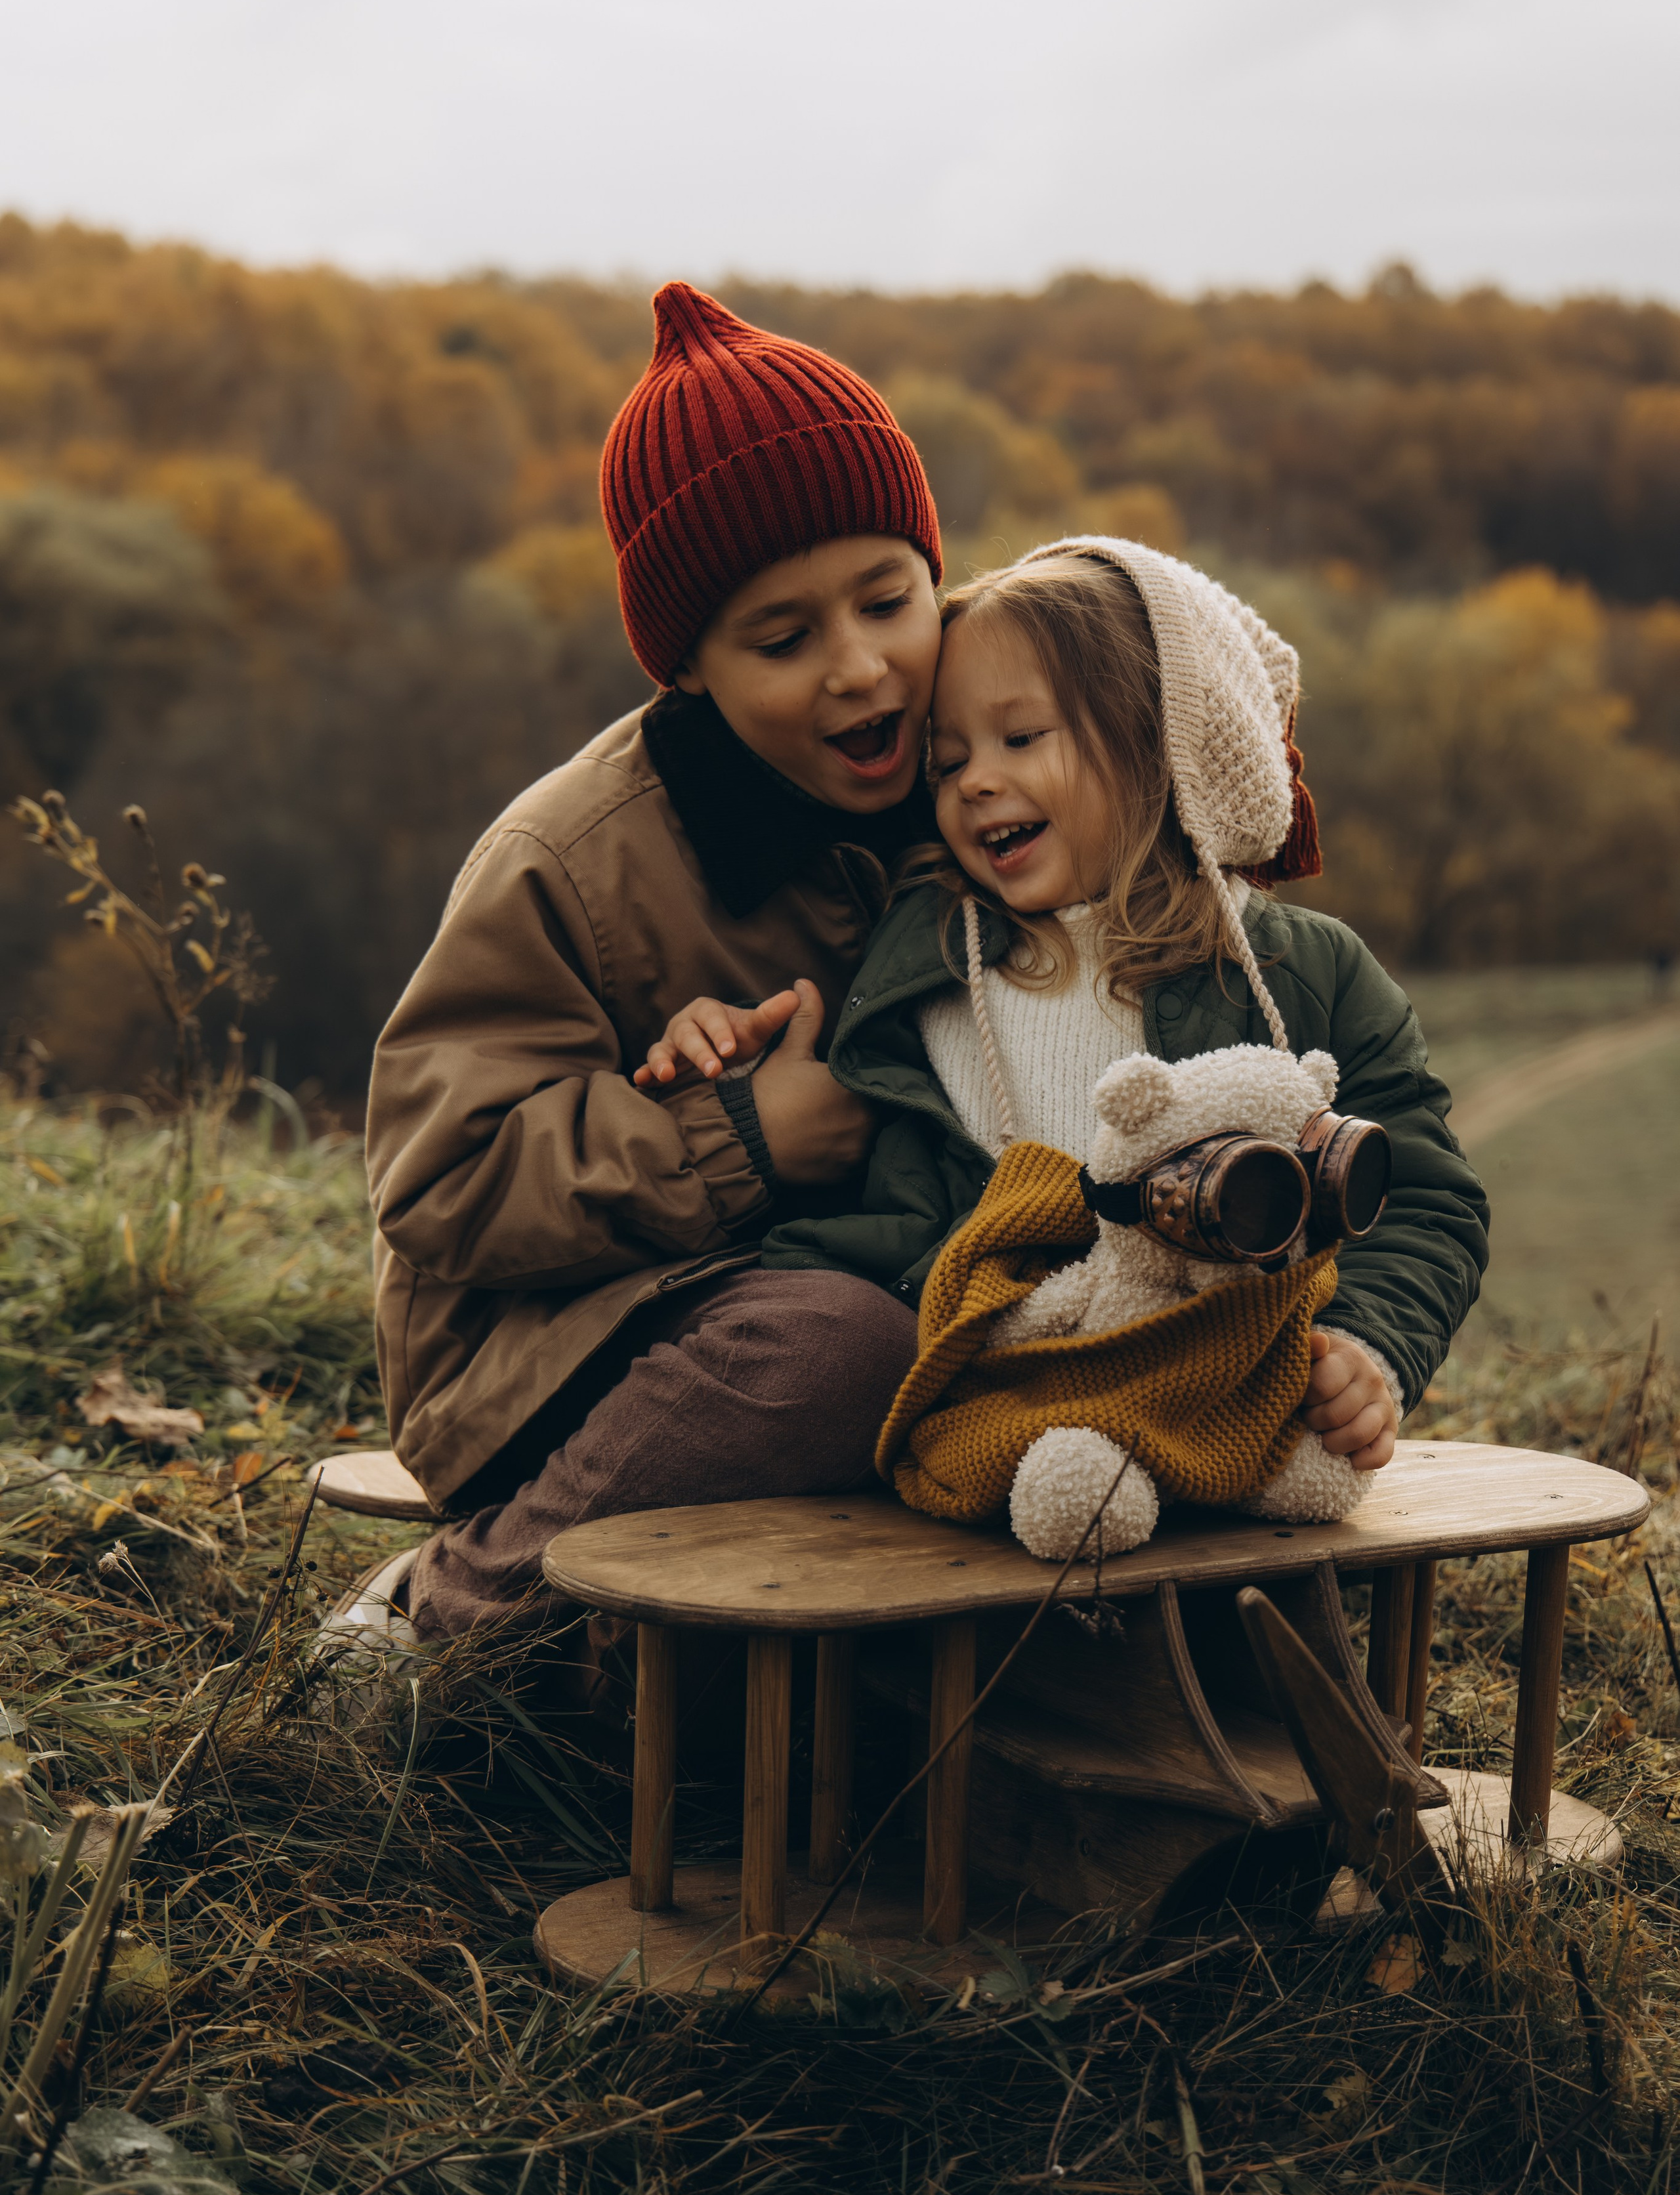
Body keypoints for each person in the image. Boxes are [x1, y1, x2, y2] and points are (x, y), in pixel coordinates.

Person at [330, 284, 944, 1673]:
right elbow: (438, 1182)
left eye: (887, 599)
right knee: (835, 1347)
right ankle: (435, 1636)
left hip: (884, 1275)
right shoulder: (574, 858)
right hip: (559, 1349)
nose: (859, 669)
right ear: (691, 672)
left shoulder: (986, 760)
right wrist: (738, 1138)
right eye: (781, 641)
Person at [643, 541, 1491, 1465]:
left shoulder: (1291, 968)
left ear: (1152, 736)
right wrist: (730, 1061)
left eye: (1021, 739)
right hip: (1004, 1416)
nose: (973, 781)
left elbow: (1420, 1194)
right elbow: (878, 1219)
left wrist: (1371, 1348)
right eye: (947, 760)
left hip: (1241, 1403)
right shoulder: (921, 970)